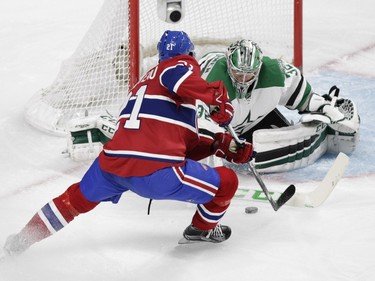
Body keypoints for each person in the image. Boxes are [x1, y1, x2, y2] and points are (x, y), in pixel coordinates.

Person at [2, 30, 254, 257]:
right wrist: (217, 98)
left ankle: (23, 239)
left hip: (111, 166)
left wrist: (218, 145)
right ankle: (201, 230)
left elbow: (176, 141)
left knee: (75, 200)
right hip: (155, 172)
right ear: (189, 55)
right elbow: (178, 75)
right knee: (228, 182)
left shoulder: (144, 84)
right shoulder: (177, 67)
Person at [197, 39, 360, 172]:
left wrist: (324, 107)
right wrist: (222, 145)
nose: (244, 79)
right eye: (239, 73)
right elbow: (200, 130)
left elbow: (304, 97)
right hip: (223, 126)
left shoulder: (275, 73)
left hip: (249, 117)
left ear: (259, 69)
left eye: (250, 74)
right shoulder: (211, 85)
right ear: (229, 67)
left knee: (268, 147)